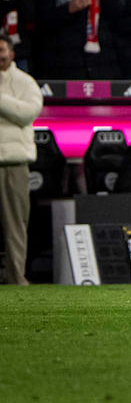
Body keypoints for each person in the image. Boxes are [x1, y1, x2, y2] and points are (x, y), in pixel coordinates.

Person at [0, 33, 42, 285]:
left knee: (15, 226)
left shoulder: (25, 82)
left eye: (2, 50)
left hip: (14, 163)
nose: (0, 56)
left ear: (12, 53)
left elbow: (28, 113)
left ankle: (16, 278)